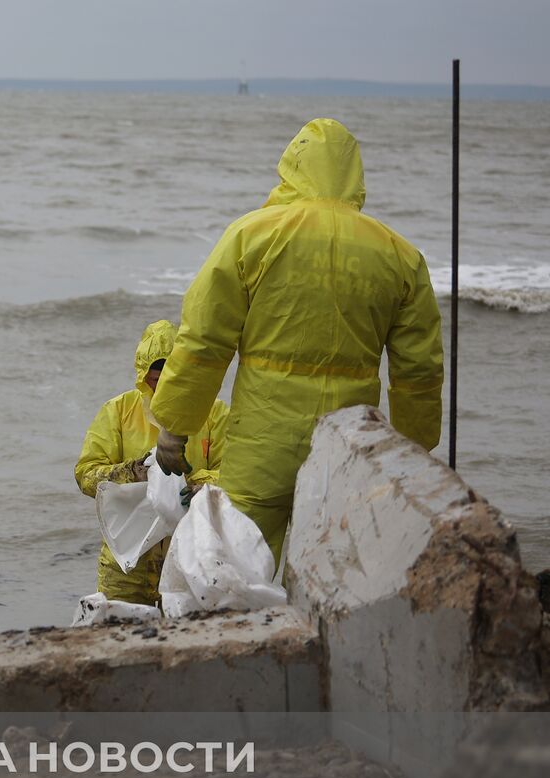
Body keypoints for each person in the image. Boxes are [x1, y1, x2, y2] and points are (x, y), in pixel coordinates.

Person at [150, 118, 444, 563]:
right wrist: (413, 447)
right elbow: (419, 369)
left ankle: (244, 631)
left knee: (236, 561)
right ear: (354, 175)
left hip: (263, 441)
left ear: (292, 166)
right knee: (331, 565)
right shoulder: (399, 254)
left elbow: (204, 341)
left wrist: (176, 426)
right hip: (345, 445)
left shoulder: (252, 235)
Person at [75, 320, 228, 605]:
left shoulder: (213, 413)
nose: (160, 383)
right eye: (154, 376)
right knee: (117, 631)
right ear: (143, 373)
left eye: (168, 374)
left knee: (187, 632)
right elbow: (86, 474)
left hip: (191, 556)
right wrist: (134, 471)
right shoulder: (118, 411)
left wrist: (199, 486)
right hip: (126, 559)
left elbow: (236, 472)